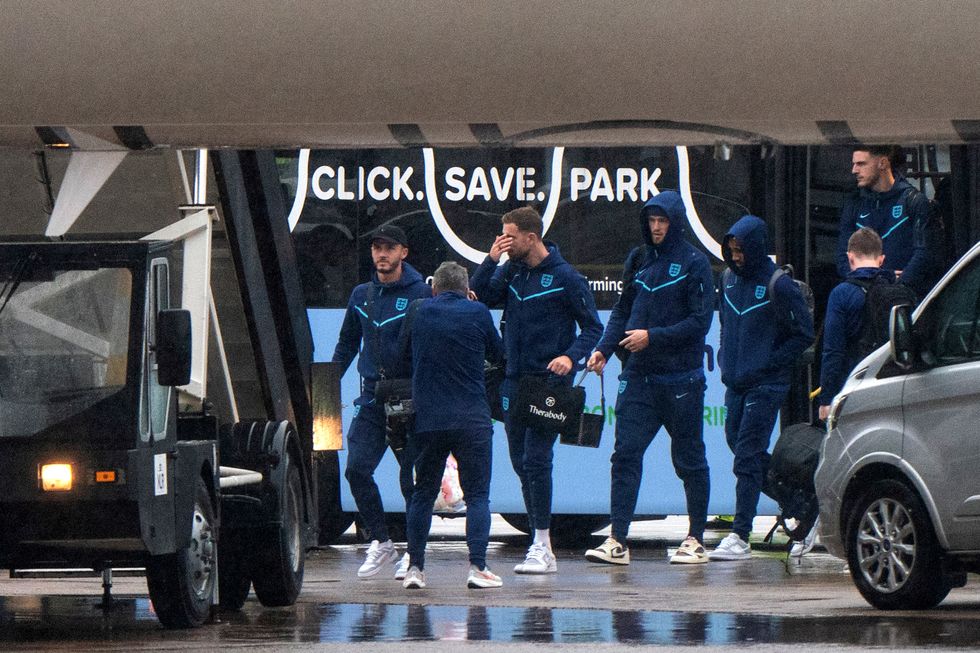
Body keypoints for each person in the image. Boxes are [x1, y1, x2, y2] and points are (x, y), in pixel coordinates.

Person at [583, 191, 714, 565]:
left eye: (663, 221)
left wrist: (652, 336)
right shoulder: (638, 259)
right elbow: (623, 311)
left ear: (675, 222)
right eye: (651, 221)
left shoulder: (695, 263)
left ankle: (696, 538)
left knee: (689, 459)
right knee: (624, 455)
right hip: (638, 377)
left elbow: (699, 323)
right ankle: (618, 540)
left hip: (681, 380)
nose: (656, 228)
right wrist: (604, 350)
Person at [470, 206, 603, 575]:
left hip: (549, 382)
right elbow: (477, 297)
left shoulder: (567, 277)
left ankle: (543, 544)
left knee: (536, 459)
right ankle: (537, 540)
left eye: (510, 236)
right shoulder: (511, 271)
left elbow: (593, 328)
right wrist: (491, 259)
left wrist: (570, 357)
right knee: (519, 463)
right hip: (513, 380)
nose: (505, 242)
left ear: (531, 237)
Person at [711, 215, 814, 561]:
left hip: (767, 385)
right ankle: (800, 500)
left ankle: (740, 533)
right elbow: (725, 325)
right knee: (740, 447)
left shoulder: (778, 285)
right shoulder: (726, 280)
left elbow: (804, 333)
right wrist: (726, 359)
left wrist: (770, 363)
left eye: (741, 250)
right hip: (736, 383)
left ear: (754, 247)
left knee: (746, 455)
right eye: (732, 250)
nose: (736, 256)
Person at [332, 224, 431, 579]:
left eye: (388, 247)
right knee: (356, 469)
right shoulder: (361, 294)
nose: (381, 254)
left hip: (409, 400)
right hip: (373, 401)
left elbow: (431, 348)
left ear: (403, 252)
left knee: (413, 481)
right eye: (376, 247)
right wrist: (326, 384)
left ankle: (414, 555)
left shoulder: (422, 293)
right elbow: (345, 345)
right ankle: (381, 542)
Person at [399, 262, 505, 590]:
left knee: (423, 493)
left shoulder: (418, 312)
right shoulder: (478, 312)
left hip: (428, 419)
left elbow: (398, 357)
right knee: (477, 496)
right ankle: (477, 567)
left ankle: (415, 568)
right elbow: (500, 355)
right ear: (465, 289)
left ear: (434, 288)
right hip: (472, 418)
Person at [835, 145, 942, 299]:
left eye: (861, 164)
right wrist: (868, 284)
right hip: (864, 299)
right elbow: (843, 256)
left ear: (883, 163)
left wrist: (895, 288)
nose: (854, 170)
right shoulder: (854, 203)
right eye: (854, 164)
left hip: (905, 299)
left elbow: (925, 254)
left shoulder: (914, 201)